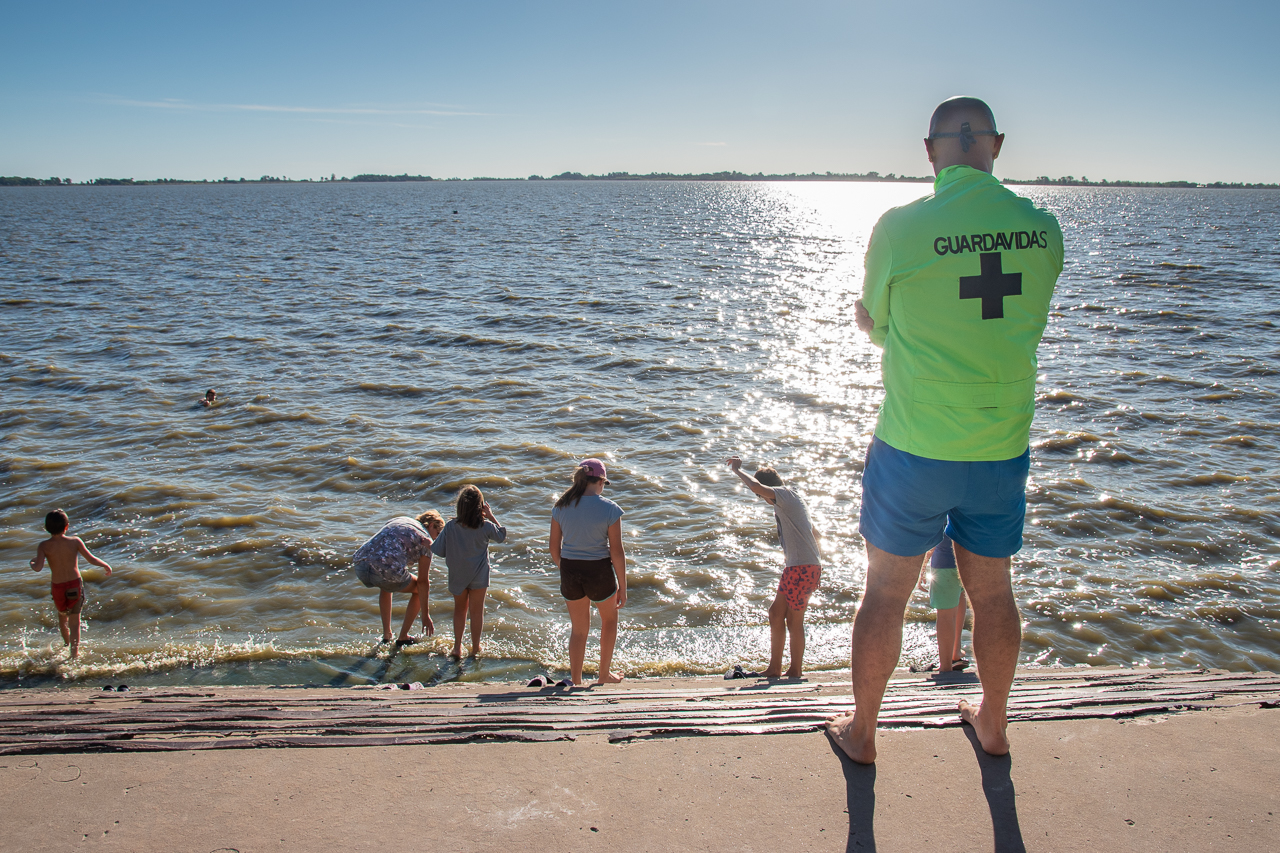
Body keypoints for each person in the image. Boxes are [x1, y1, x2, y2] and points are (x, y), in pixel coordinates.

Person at [826, 96, 1063, 763]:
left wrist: (886, 328)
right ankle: (992, 722)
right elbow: (1015, 323)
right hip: (998, 446)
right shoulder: (1043, 230)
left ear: (930, 151)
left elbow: (875, 319)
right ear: (998, 146)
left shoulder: (900, 229)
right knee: (993, 592)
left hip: (914, 445)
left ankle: (864, 732)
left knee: (886, 592)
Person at [725, 456, 822, 679]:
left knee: (794, 621)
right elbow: (815, 534)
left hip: (801, 568)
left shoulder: (785, 496)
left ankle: (795, 670)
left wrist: (738, 471)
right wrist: (818, 565)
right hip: (800, 567)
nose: (762, 499)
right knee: (776, 614)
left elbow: (756, 486)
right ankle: (775, 668)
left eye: (762, 497)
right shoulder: (793, 500)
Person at [549, 458, 627, 686]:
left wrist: (565, 569)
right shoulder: (610, 509)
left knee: (579, 629)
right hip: (598, 570)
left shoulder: (560, 507)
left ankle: (576, 679)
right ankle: (604, 675)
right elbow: (617, 552)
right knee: (609, 620)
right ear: (601, 481)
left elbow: (554, 548)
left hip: (570, 570)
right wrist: (623, 586)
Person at [432, 485, 506, 658]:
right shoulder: (486, 526)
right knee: (476, 611)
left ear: (460, 506)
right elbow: (501, 536)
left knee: (460, 609)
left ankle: (457, 647)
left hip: (458, 574)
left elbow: (439, 550)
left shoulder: (450, 527)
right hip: (479, 574)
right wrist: (491, 516)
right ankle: (475, 648)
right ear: (480, 507)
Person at [30, 509, 113, 659]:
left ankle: (66, 645)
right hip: (75, 584)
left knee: (63, 618)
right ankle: (74, 655)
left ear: (46, 528)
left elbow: (38, 568)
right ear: (67, 526)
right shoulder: (75, 541)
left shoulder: (43, 546)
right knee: (75, 621)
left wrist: (32, 562)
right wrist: (105, 565)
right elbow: (91, 559)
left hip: (58, 587)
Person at [352, 510, 443, 645]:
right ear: (431, 525)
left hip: (360, 563)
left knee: (386, 585)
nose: (437, 539)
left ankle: (387, 635)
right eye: (438, 533)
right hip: (385, 569)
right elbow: (423, 581)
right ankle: (403, 637)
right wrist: (425, 615)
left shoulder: (401, 519)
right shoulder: (426, 541)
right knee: (418, 589)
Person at [917, 533, 969, 673]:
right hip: (969, 560)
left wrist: (922, 565)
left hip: (945, 562)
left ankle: (945, 667)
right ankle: (955, 653)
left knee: (946, 614)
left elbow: (932, 533)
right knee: (960, 596)